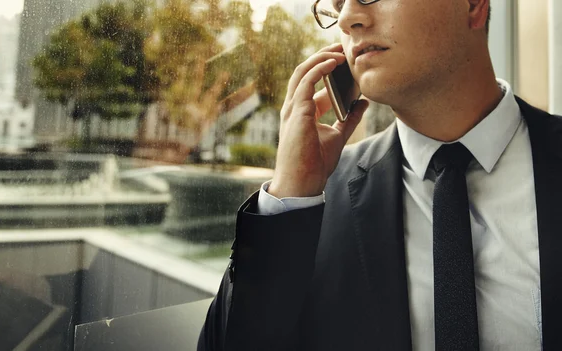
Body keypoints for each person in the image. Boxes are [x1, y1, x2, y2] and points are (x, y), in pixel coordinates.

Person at [198, 0, 562, 350]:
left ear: (471, 3)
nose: (346, 19)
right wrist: (288, 195)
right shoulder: (310, 203)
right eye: (337, 5)